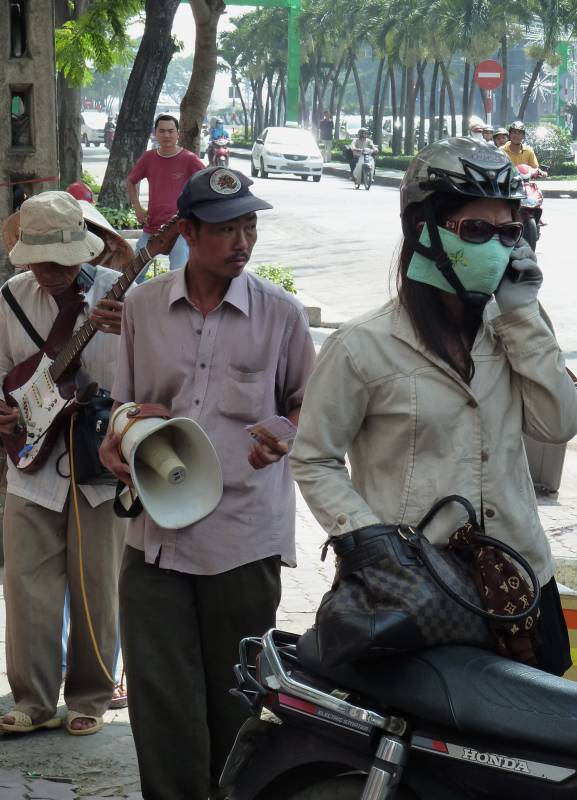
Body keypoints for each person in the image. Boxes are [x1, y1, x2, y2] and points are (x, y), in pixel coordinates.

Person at [290, 138, 577, 678]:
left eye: (509, 233)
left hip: (522, 585)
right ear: (422, 231)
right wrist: (370, 543)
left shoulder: (514, 333)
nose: (496, 247)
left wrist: (522, 314)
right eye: (476, 231)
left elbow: (559, 423)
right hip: (415, 594)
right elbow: (314, 457)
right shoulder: (361, 347)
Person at [99, 166, 316, 800]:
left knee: (237, 706)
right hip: (155, 540)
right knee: (160, 705)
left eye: (249, 225)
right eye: (225, 229)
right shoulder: (143, 308)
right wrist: (118, 442)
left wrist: (285, 431)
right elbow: (126, 404)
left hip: (242, 542)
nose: (242, 240)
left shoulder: (281, 315)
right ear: (188, 232)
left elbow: (314, 407)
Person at [0, 191, 127, 736]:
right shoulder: (10, 299)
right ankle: (30, 698)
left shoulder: (121, 298)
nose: (48, 271)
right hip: (28, 464)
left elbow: (148, 376)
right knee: (26, 584)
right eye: (38, 260)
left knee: (98, 583)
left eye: (59, 258)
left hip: (97, 465)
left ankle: (91, 697)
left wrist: (129, 329)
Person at [127, 114, 204, 282]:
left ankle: (176, 305)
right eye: (162, 131)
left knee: (178, 276)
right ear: (155, 133)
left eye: (171, 131)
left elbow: (207, 182)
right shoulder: (148, 157)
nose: (166, 135)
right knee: (132, 276)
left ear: (178, 134)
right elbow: (131, 182)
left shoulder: (189, 159)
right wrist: (138, 209)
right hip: (152, 227)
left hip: (180, 229)